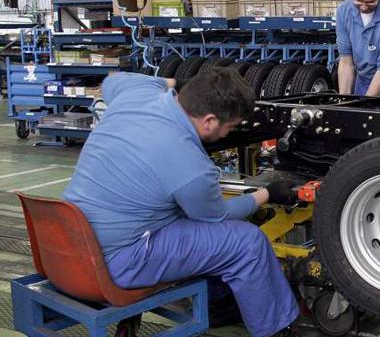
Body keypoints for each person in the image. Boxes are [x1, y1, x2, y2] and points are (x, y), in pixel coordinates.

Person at [62, 69, 299, 337]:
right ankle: (276, 330)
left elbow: (112, 80)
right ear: (209, 121)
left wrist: (183, 84)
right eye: (231, 127)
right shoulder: (191, 163)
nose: (228, 133)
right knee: (246, 243)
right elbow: (218, 217)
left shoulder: (136, 94)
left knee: (181, 217)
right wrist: (267, 193)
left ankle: (220, 303)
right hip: (116, 262)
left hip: (69, 244)